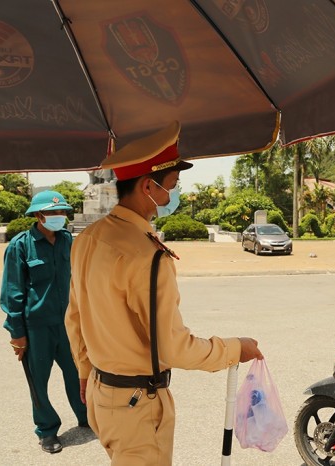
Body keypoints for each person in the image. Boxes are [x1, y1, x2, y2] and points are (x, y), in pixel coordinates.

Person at [65, 121, 263, 465]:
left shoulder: (88, 238)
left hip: (102, 392)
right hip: (135, 404)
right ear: (147, 186)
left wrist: (84, 372)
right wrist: (234, 349)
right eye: (170, 185)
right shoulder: (148, 256)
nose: (172, 195)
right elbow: (174, 347)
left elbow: (75, 316)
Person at [0, 190, 88, 454]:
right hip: (36, 326)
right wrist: (17, 333)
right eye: (53, 213)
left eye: (62, 212)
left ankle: (87, 417)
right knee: (38, 381)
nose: (58, 217)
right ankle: (47, 430)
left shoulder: (68, 241)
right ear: (39, 215)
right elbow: (12, 291)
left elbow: (81, 281)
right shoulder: (20, 245)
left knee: (79, 373)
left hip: (70, 324)